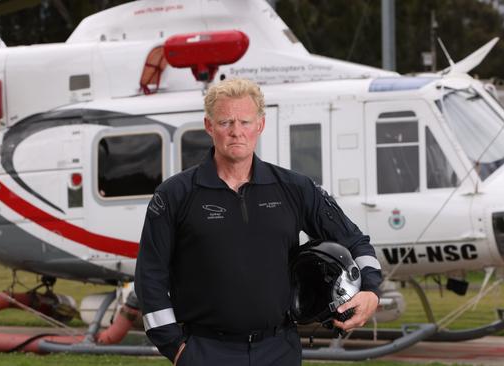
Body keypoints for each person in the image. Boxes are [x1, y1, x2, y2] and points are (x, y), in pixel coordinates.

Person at [134, 78, 382, 365]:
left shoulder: (294, 188)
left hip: (279, 350)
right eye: (226, 122)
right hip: (206, 352)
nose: (236, 132)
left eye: (245, 122)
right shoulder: (176, 194)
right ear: (209, 126)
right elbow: (150, 276)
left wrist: (371, 292)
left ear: (260, 125)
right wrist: (176, 349)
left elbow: (355, 241)